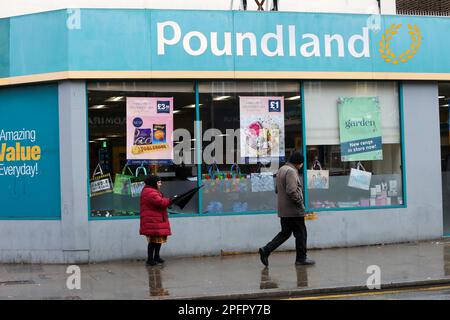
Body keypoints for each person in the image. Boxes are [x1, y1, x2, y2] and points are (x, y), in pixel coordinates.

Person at [258, 151, 315, 266]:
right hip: (294, 211)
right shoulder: (291, 171)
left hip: (284, 210)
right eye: (302, 163)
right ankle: (301, 258)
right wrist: (300, 203)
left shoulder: (281, 170)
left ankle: (266, 250)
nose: (302, 166)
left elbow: (276, 190)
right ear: (299, 163)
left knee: (285, 233)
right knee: (301, 234)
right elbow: (292, 191)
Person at [140, 175, 172, 266]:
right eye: (158, 182)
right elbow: (160, 202)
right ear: (153, 183)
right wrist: (170, 200)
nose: (160, 184)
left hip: (156, 218)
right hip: (152, 220)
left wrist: (167, 200)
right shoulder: (150, 192)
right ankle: (150, 259)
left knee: (159, 239)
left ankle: (156, 257)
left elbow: (161, 201)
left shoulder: (151, 190)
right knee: (153, 240)